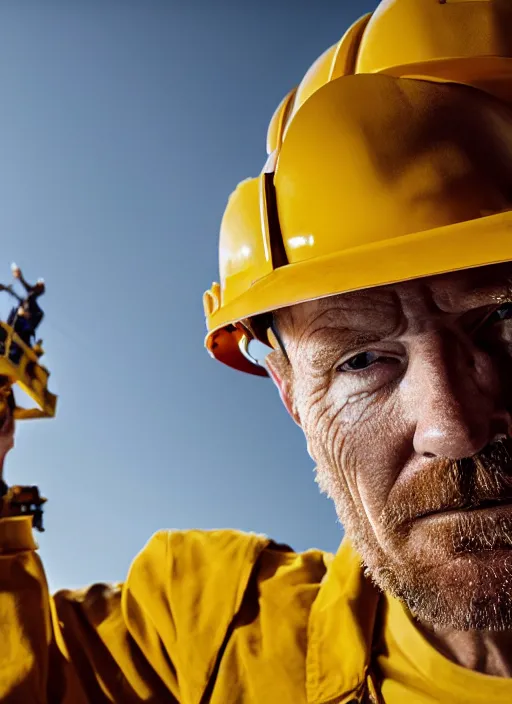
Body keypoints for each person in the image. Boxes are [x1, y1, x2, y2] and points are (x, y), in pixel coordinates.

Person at [4, 1, 512, 702]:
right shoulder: (201, 641)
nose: (452, 427)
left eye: (506, 318)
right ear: (290, 394)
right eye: (360, 360)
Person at [5, 264, 45, 347]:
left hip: (22, 338)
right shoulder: (26, 301)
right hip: (10, 333)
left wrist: (21, 278)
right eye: (36, 287)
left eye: (38, 288)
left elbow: (31, 293)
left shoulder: (38, 312)